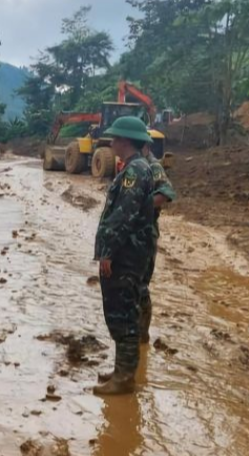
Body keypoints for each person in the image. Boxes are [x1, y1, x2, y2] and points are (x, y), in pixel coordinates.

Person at [93, 116, 156, 396]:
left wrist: (108, 252)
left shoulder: (134, 172)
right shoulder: (137, 168)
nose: (111, 142)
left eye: (115, 138)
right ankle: (122, 370)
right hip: (130, 253)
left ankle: (124, 379)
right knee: (122, 315)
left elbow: (123, 217)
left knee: (123, 317)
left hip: (125, 256)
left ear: (126, 141)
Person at [139, 143, 176, 344]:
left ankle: (142, 337)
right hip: (133, 234)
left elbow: (167, 192)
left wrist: (141, 204)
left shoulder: (153, 166)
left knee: (141, 288)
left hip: (145, 235)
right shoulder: (136, 165)